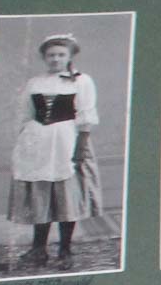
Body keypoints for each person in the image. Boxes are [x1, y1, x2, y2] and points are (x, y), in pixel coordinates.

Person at [8, 34, 102, 270]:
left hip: (66, 142)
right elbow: (26, 113)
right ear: (44, 58)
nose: (55, 59)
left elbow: (86, 114)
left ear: (69, 57)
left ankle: (65, 250)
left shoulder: (81, 81)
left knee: (65, 198)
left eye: (61, 55)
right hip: (37, 142)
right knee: (41, 197)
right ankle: (38, 249)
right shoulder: (35, 83)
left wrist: (82, 145)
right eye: (51, 55)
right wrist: (25, 140)